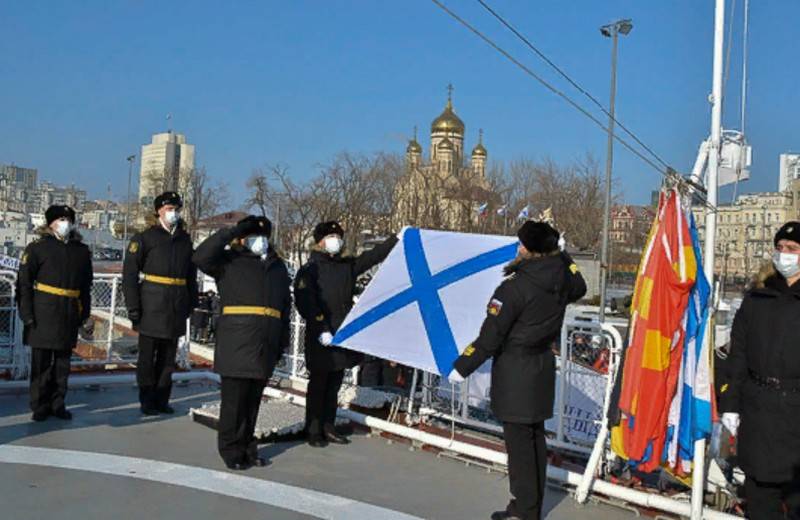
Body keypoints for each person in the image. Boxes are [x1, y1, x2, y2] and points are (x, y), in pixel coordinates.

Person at [449, 221, 587, 520]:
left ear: (529, 249)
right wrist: (563, 255)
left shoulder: (514, 287)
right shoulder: (562, 278)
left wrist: (461, 367)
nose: (519, 248)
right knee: (535, 441)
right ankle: (530, 507)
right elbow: (581, 286)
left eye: (522, 244)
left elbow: (490, 337)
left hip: (516, 372)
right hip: (541, 368)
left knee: (520, 448)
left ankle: (524, 511)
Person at [193, 215, 292, 470]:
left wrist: (282, 342)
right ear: (242, 239)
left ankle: (248, 448)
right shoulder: (229, 261)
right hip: (237, 341)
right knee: (234, 403)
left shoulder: (277, 267)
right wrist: (232, 231)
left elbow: (284, 308)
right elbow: (200, 256)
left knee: (252, 403)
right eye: (252, 236)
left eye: (262, 237)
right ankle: (231, 450)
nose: (258, 241)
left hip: (264, 344)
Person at [720, 221, 800, 519]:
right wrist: (731, 406)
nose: (784, 255)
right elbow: (737, 355)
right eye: (780, 248)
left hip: (795, 413)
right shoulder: (757, 300)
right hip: (759, 411)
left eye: (792, 249)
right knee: (760, 499)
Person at [294, 221, 398, 447]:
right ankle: (313, 429)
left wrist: (396, 239)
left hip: (341, 334)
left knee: (334, 384)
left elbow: (373, 256)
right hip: (320, 334)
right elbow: (306, 301)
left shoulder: (346, 266)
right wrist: (321, 328)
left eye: (337, 235)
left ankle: (328, 426)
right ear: (320, 241)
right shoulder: (310, 269)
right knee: (319, 384)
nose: (335, 239)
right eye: (330, 235)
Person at [122, 191, 198, 415]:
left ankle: (162, 399)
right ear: (158, 211)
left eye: (176, 208)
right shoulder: (145, 239)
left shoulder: (184, 240)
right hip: (151, 305)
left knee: (167, 359)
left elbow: (190, 275)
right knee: (147, 358)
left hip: (175, 307)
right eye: (168, 209)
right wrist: (134, 307)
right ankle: (147, 400)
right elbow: (130, 275)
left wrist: (190, 304)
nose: (173, 213)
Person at [17, 205, 93, 422]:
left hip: (68, 312)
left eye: (68, 219)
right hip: (43, 311)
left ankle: (58, 403)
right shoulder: (36, 248)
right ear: (50, 223)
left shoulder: (81, 251)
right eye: (60, 219)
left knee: (62, 363)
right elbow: (24, 283)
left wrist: (84, 313)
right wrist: (27, 313)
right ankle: (39, 404)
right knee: (41, 363)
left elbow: (86, 285)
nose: (65, 223)